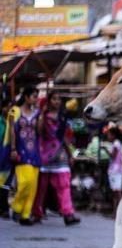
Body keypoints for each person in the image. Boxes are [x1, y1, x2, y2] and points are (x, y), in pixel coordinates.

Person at [32, 92, 80, 226]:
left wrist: (70, 155)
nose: (57, 101)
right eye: (54, 99)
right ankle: (36, 212)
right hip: (44, 155)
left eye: (59, 99)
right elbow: (39, 132)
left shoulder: (63, 118)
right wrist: (42, 115)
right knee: (41, 187)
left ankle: (68, 214)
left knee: (64, 185)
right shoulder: (42, 117)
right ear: (49, 101)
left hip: (60, 155)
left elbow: (64, 138)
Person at [8, 87, 41, 225]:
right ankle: (16, 206)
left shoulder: (37, 113)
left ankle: (25, 215)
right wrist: (13, 148)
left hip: (34, 151)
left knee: (33, 186)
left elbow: (39, 131)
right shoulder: (14, 111)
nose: (35, 99)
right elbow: (11, 131)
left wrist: (41, 115)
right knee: (25, 182)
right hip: (21, 150)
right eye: (33, 96)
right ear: (26, 97)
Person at [106, 125, 122, 212]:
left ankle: (120, 211)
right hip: (115, 169)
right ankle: (116, 211)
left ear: (113, 135)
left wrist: (105, 150)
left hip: (116, 170)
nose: (108, 136)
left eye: (109, 134)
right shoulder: (116, 143)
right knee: (115, 192)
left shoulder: (116, 144)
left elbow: (112, 155)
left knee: (117, 192)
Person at [0, 98, 12, 218]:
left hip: (8, 157)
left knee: (5, 184)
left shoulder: (12, 122)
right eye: (6, 107)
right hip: (1, 155)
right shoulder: (1, 122)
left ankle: (4, 208)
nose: (9, 110)